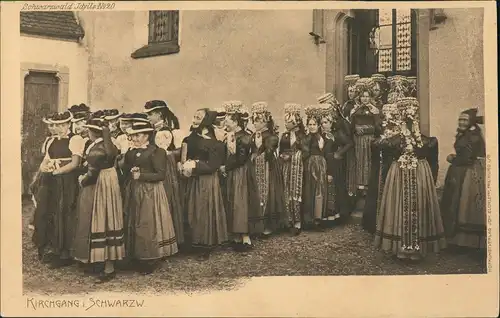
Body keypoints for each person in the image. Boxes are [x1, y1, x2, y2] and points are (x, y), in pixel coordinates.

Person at [374, 97, 446, 261]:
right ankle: (400, 247)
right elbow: (382, 153)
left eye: (411, 115)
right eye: (405, 114)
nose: (408, 118)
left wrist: (431, 180)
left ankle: (418, 248)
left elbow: (431, 160)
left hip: (420, 175)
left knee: (419, 205)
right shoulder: (393, 140)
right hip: (398, 176)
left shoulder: (426, 141)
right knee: (399, 206)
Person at [71, 117, 125, 283]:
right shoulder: (109, 145)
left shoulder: (96, 149)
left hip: (99, 185)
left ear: (92, 132)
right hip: (111, 182)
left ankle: (102, 264)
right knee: (109, 219)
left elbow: (92, 173)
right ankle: (107, 263)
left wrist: (82, 179)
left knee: (98, 219)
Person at [120, 121, 178, 274]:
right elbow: (126, 170)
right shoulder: (131, 152)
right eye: (132, 135)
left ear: (146, 135)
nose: (134, 138)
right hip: (134, 190)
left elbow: (160, 174)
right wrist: (130, 170)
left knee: (147, 222)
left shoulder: (156, 151)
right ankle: (134, 255)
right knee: (133, 220)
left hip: (150, 191)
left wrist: (142, 175)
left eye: (137, 135)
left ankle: (149, 258)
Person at [32, 111, 84, 267]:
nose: (58, 128)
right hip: (51, 180)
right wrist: (45, 168)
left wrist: (57, 171)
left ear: (68, 124)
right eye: (55, 125)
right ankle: (51, 249)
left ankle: (65, 253)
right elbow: (45, 160)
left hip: (67, 181)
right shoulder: (50, 141)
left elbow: (75, 163)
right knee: (48, 211)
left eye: (61, 125)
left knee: (64, 212)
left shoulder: (75, 139)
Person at [181, 109, 228, 260]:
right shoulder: (192, 137)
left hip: (207, 180)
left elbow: (214, 165)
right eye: (194, 116)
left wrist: (195, 165)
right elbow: (185, 154)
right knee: (193, 209)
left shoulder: (216, 142)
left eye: (198, 118)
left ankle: (206, 244)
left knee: (204, 210)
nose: (194, 120)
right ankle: (194, 241)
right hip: (193, 178)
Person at [441, 108, 486, 250]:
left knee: (461, 202)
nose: (461, 122)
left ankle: (463, 242)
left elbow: (467, 158)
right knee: (456, 201)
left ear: (471, 122)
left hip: (467, 172)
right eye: (460, 119)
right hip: (461, 170)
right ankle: (456, 240)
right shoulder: (467, 133)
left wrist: (452, 159)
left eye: (465, 120)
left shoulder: (472, 135)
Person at [144, 100, 185, 248]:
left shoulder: (164, 132)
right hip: (158, 165)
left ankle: (167, 239)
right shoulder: (155, 130)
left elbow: (162, 154)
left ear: (159, 114)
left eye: (150, 114)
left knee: (165, 198)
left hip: (164, 167)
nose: (148, 117)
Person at [220, 101, 260, 250]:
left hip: (240, 173)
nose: (225, 124)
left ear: (236, 122)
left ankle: (245, 237)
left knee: (240, 201)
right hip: (232, 172)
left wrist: (226, 167)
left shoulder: (243, 137)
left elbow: (241, 159)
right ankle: (236, 235)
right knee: (233, 201)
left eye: (228, 121)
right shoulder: (230, 135)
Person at [362, 103, 401, 234]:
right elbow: (374, 142)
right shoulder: (380, 126)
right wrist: (379, 142)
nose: (389, 116)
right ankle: (375, 223)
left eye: (392, 113)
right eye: (386, 113)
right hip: (380, 163)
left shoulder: (401, 128)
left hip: (393, 164)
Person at [249, 102, 285, 236]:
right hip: (254, 168)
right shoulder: (254, 135)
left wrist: (259, 148)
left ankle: (268, 224)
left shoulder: (271, 136)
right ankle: (257, 224)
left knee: (269, 194)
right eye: (254, 121)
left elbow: (269, 153)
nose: (255, 124)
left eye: (258, 121)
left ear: (265, 122)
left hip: (268, 168)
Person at [318, 103, 353, 224]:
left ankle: (337, 216)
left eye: (326, 123)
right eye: (322, 123)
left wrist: (339, 153)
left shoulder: (337, 134)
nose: (323, 125)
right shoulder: (320, 135)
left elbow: (349, 143)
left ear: (331, 122)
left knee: (335, 188)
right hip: (323, 164)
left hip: (334, 164)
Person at [302, 105, 334, 230]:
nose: (312, 127)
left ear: (318, 125)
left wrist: (329, 172)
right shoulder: (306, 138)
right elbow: (304, 154)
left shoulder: (324, 138)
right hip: (309, 167)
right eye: (309, 124)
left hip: (321, 166)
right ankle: (308, 219)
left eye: (314, 124)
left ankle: (318, 219)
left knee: (319, 191)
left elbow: (328, 155)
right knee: (309, 191)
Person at [279, 103, 308, 235]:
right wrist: (282, 155)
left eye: (289, 121)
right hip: (286, 168)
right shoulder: (284, 135)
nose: (286, 123)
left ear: (295, 122)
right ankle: (288, 220)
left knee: (296, 193)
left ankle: (298, 222)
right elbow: (280, 150)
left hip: (298, 169)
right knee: (286, 191)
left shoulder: (302, 136)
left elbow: (306, 152)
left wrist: (292, 156)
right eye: (285, 121)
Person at [350, 78, 383, 195]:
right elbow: (351, 125)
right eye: (363, 96)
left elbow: (379, 127)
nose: (365, 99)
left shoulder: (374, 110)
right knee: (359, 160)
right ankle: (359, 186)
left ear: (370, 97)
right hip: (358, 140)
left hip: (369, 139)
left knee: (368, 160)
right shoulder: (355, 110)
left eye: (367, 96)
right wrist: (355, 129)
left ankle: (368, 185)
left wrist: (366, 129)